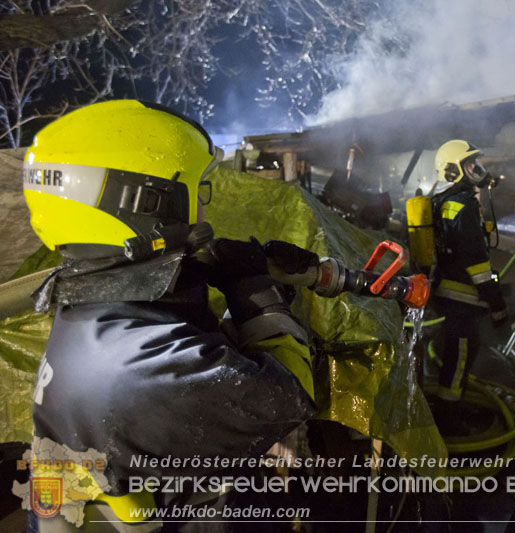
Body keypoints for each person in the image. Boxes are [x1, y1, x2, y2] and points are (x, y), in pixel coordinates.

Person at [22, 100, 319, 532]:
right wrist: (257, 293)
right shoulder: (142, 363)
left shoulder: (95, 313)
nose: (204, 208)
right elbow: (286, 397)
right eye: (195, 193)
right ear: (146, 204)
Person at [429, 139, 507, 403]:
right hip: (461, 300)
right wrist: (497, 305)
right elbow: (477, 264)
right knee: (459, 357)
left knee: (453, 356)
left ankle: (448, 409)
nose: (477, 169)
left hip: (448, 296)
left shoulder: (444, 201)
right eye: (470, 164)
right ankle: (450, 419)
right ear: (453, 170)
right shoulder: (463, 205)